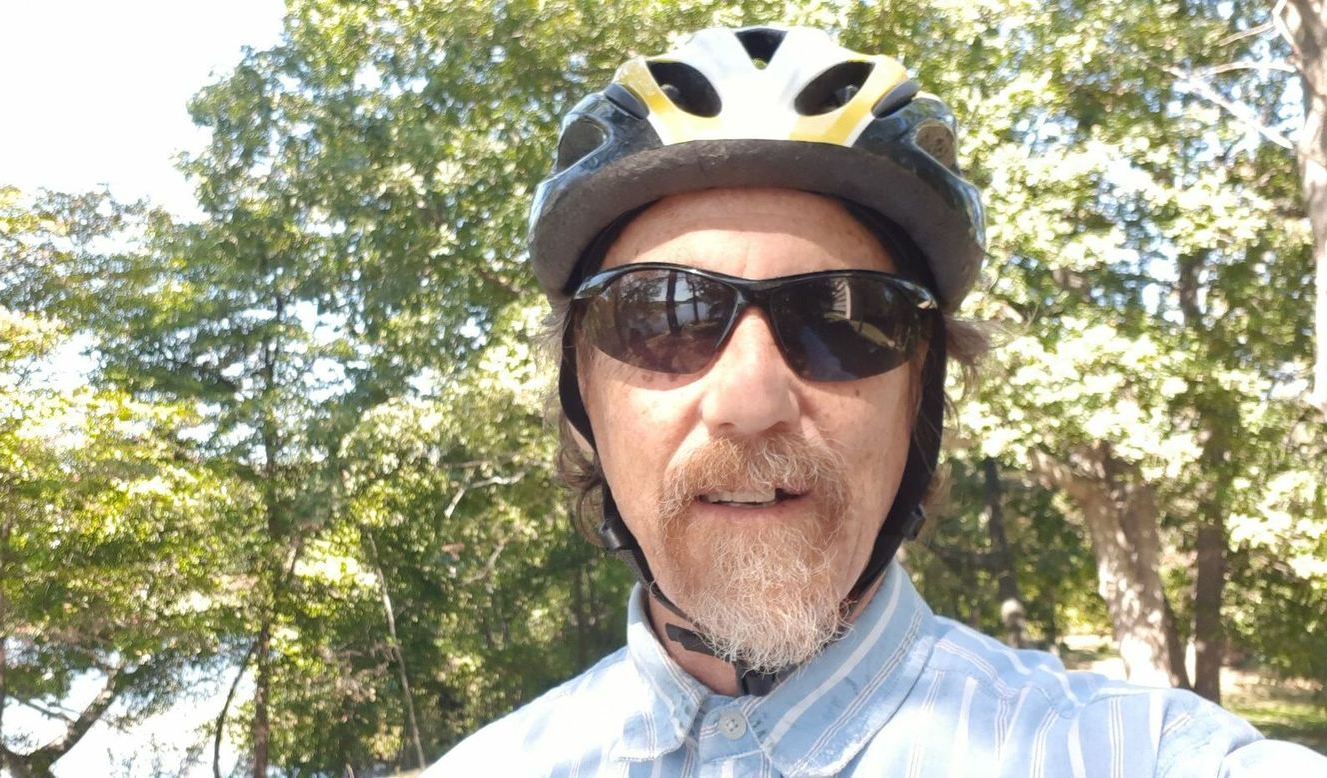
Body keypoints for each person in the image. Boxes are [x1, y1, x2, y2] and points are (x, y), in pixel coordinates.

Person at [427, 24, 1327, 776]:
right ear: (582, 393)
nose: (750, 398)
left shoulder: (1134, 754)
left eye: (842, 320)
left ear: (922, 397)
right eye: (663, 314)